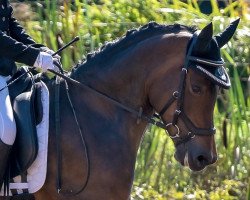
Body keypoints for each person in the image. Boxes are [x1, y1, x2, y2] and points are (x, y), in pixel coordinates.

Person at [0, 0, 59, 188]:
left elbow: (9, 24)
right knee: (7, 129)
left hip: (7, 72)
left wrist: (39, 48)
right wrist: (34, 57)